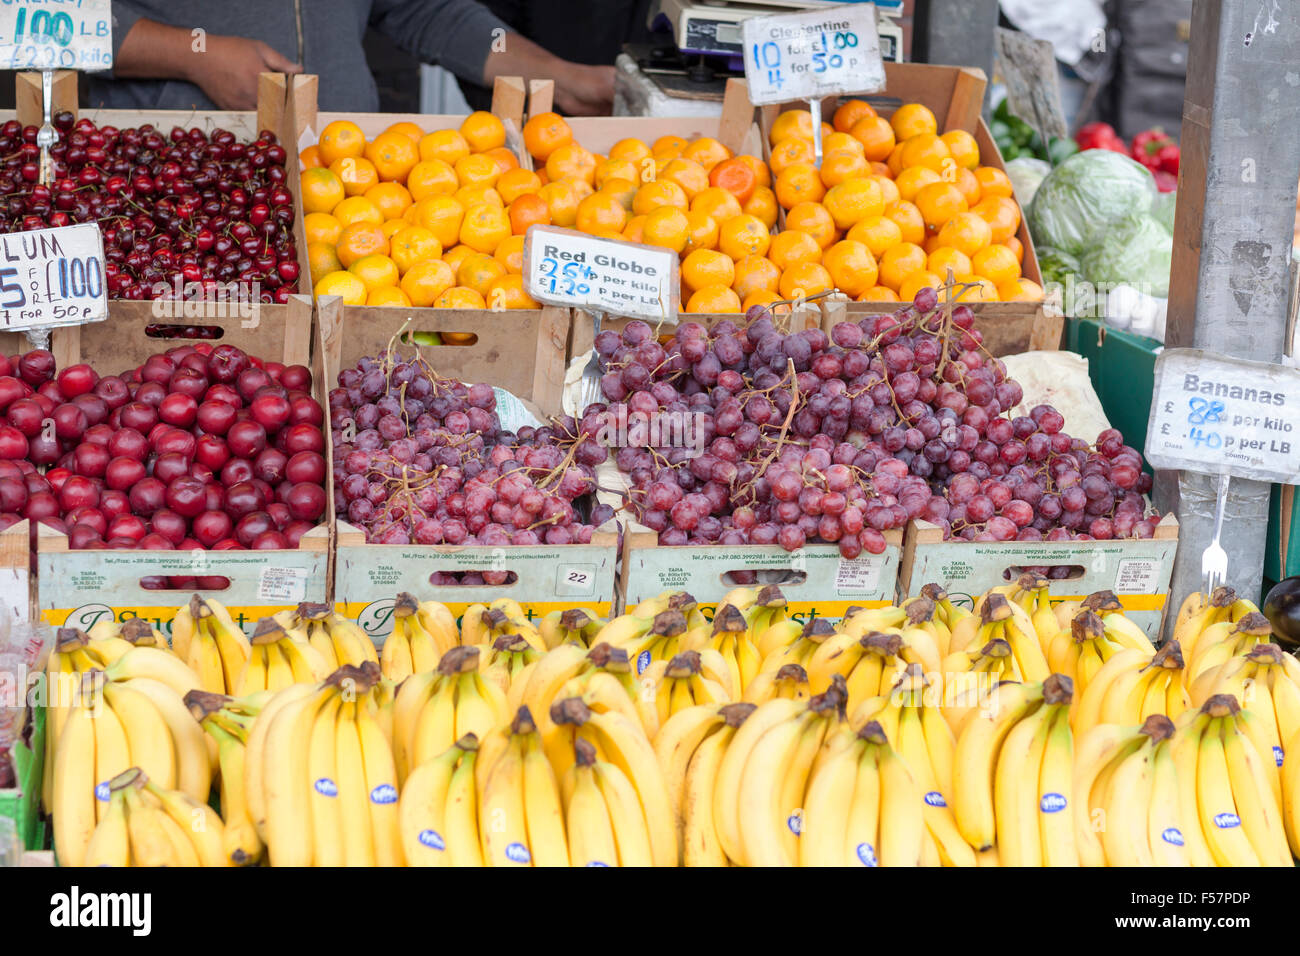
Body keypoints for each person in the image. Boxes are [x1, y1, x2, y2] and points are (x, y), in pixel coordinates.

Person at [89, 0, 615, 114]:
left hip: (342, 183)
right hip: (167, 184)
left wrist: (563, 78)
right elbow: (35, 13)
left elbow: (425, 11)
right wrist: (195, 55)